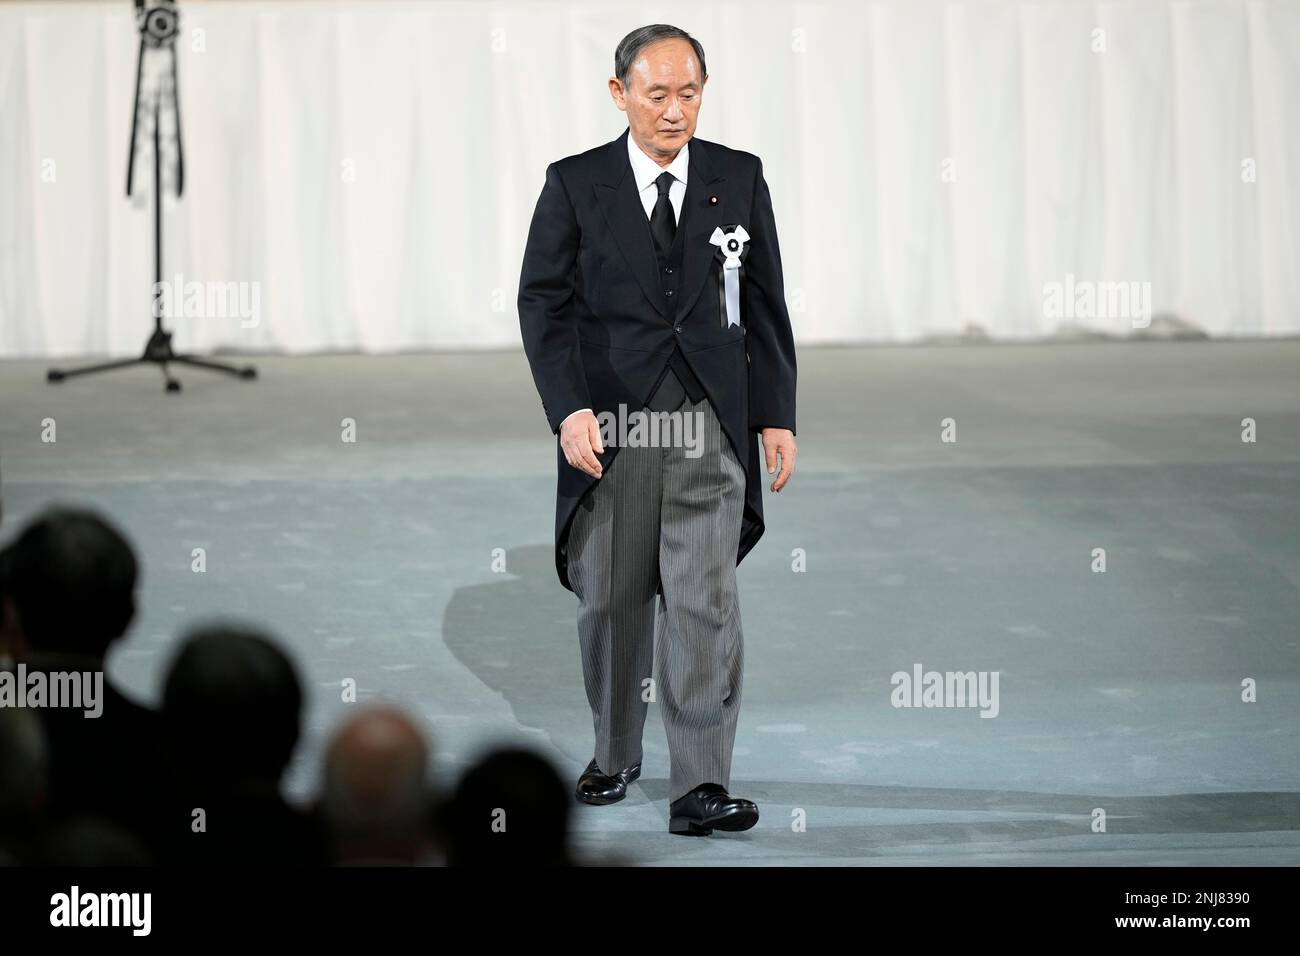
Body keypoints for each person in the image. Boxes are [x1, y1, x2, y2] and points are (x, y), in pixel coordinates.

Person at [517, 24, 797, 835]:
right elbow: (544, 301)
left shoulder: (738, 178)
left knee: (705, 602)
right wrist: (568, 409)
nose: (676, 111)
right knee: (611, 599)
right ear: (620, 95)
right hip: (611, 424)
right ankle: (613, 750)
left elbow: (768, 302)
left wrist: (774, 413)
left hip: (711, 418)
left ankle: (701, 785)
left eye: (690, 93)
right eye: (658, 94)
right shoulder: (576, 184)